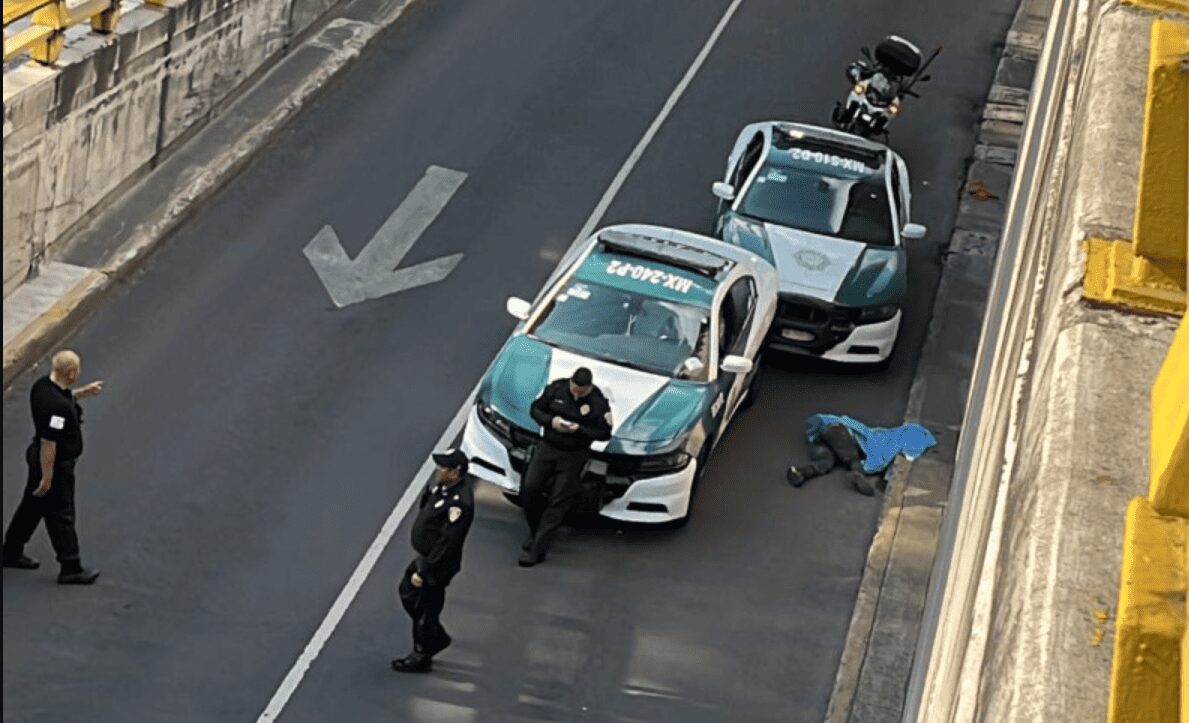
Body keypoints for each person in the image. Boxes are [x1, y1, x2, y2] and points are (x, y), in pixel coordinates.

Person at [3, 350, 103, 584]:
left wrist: (81, 394)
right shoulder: (57, 409)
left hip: (38, 457)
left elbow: (62, 400)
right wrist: (47, 477)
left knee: (32, 506)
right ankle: (70, 566)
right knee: (61, 514)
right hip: (54, 465)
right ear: (70, 372)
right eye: (76, 370)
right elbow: (50, 442)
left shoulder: (42, 387)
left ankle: (11, 551)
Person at [519, 367, 612, 567]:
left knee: (559, 500)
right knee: (529, 489)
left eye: (581, 391)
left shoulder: (598, 403)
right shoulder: (557, 389)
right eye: (574, 389)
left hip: (574, 454)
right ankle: (536, 532)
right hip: (548, 446)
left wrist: (580, 429)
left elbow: (604, 433)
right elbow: (535, 409)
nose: (576, 394)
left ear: (589, 387)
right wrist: (551, 421)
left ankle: (537, 549)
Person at [392, 448, 475, 674]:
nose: (438, 470)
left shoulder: (460, 503)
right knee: (407, 592)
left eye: (443, 468)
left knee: (426, 609)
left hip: (436, 564)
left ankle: (422, 653)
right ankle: (435, 637)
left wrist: (426, 570)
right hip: (426, 557)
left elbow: (447, 543)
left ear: (456, 472)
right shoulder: (446, 487)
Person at [786, 422, 879, 495]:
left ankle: (800, 472)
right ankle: (857, 472)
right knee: (851, 458)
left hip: (819, 442)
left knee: (827, 461)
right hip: (837, 430)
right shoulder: (878, 437)